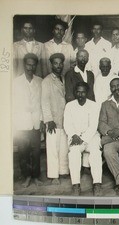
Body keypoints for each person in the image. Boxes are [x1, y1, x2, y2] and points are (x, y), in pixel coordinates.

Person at [63, 82, 102, 196]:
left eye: (83, 92)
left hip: (91, 136)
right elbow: (67, 124)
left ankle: (97, 184)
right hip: (75, 137)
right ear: (75, 92)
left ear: (87, 93)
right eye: (78, 92)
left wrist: (83, 138)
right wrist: (74, 135)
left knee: (96, 152)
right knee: (74, 153)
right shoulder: (69, 105)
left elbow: (93, 126)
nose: (80, 95)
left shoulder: (94, 105)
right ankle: (76, 185)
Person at [13, 53, 44, 188]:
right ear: (24, 65)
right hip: (21, 123)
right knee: (23, 151)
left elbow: (43, 102)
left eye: (33, 64)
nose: (30, 67)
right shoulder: (16, 82)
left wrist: (42, 120)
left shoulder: (40, 81)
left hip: (36, 122)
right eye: (28, 64)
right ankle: (26, 176)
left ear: (36, 66)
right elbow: (13, 104)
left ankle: (36, 176)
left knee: (36, 152)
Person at [41, 53, 69, 184]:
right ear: (51, 65)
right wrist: (49, 120)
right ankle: (53, 175)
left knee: (63, 147)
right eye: (56, 63)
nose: (58, 66)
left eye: (60, 63)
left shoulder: (63, 78)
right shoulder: (47, 81)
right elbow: (44, 101)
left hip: (64, 119)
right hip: (53, 120)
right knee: (53, 148)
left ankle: (63, 171)